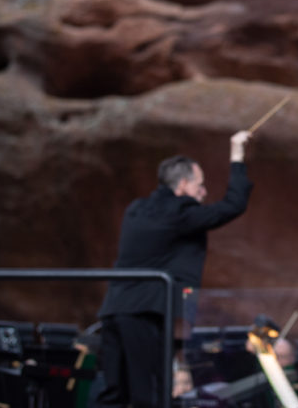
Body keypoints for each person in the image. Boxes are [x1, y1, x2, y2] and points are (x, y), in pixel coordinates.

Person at [94, 130, 254, 408]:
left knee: (115, 394)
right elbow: (233, 204)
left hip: (114, 310)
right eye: (199, 186)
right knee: (151, 394)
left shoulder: (136, 209)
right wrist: (237, 153)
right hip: (147, 315)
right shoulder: (180, 214)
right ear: (182, 185)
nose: (203, 193)